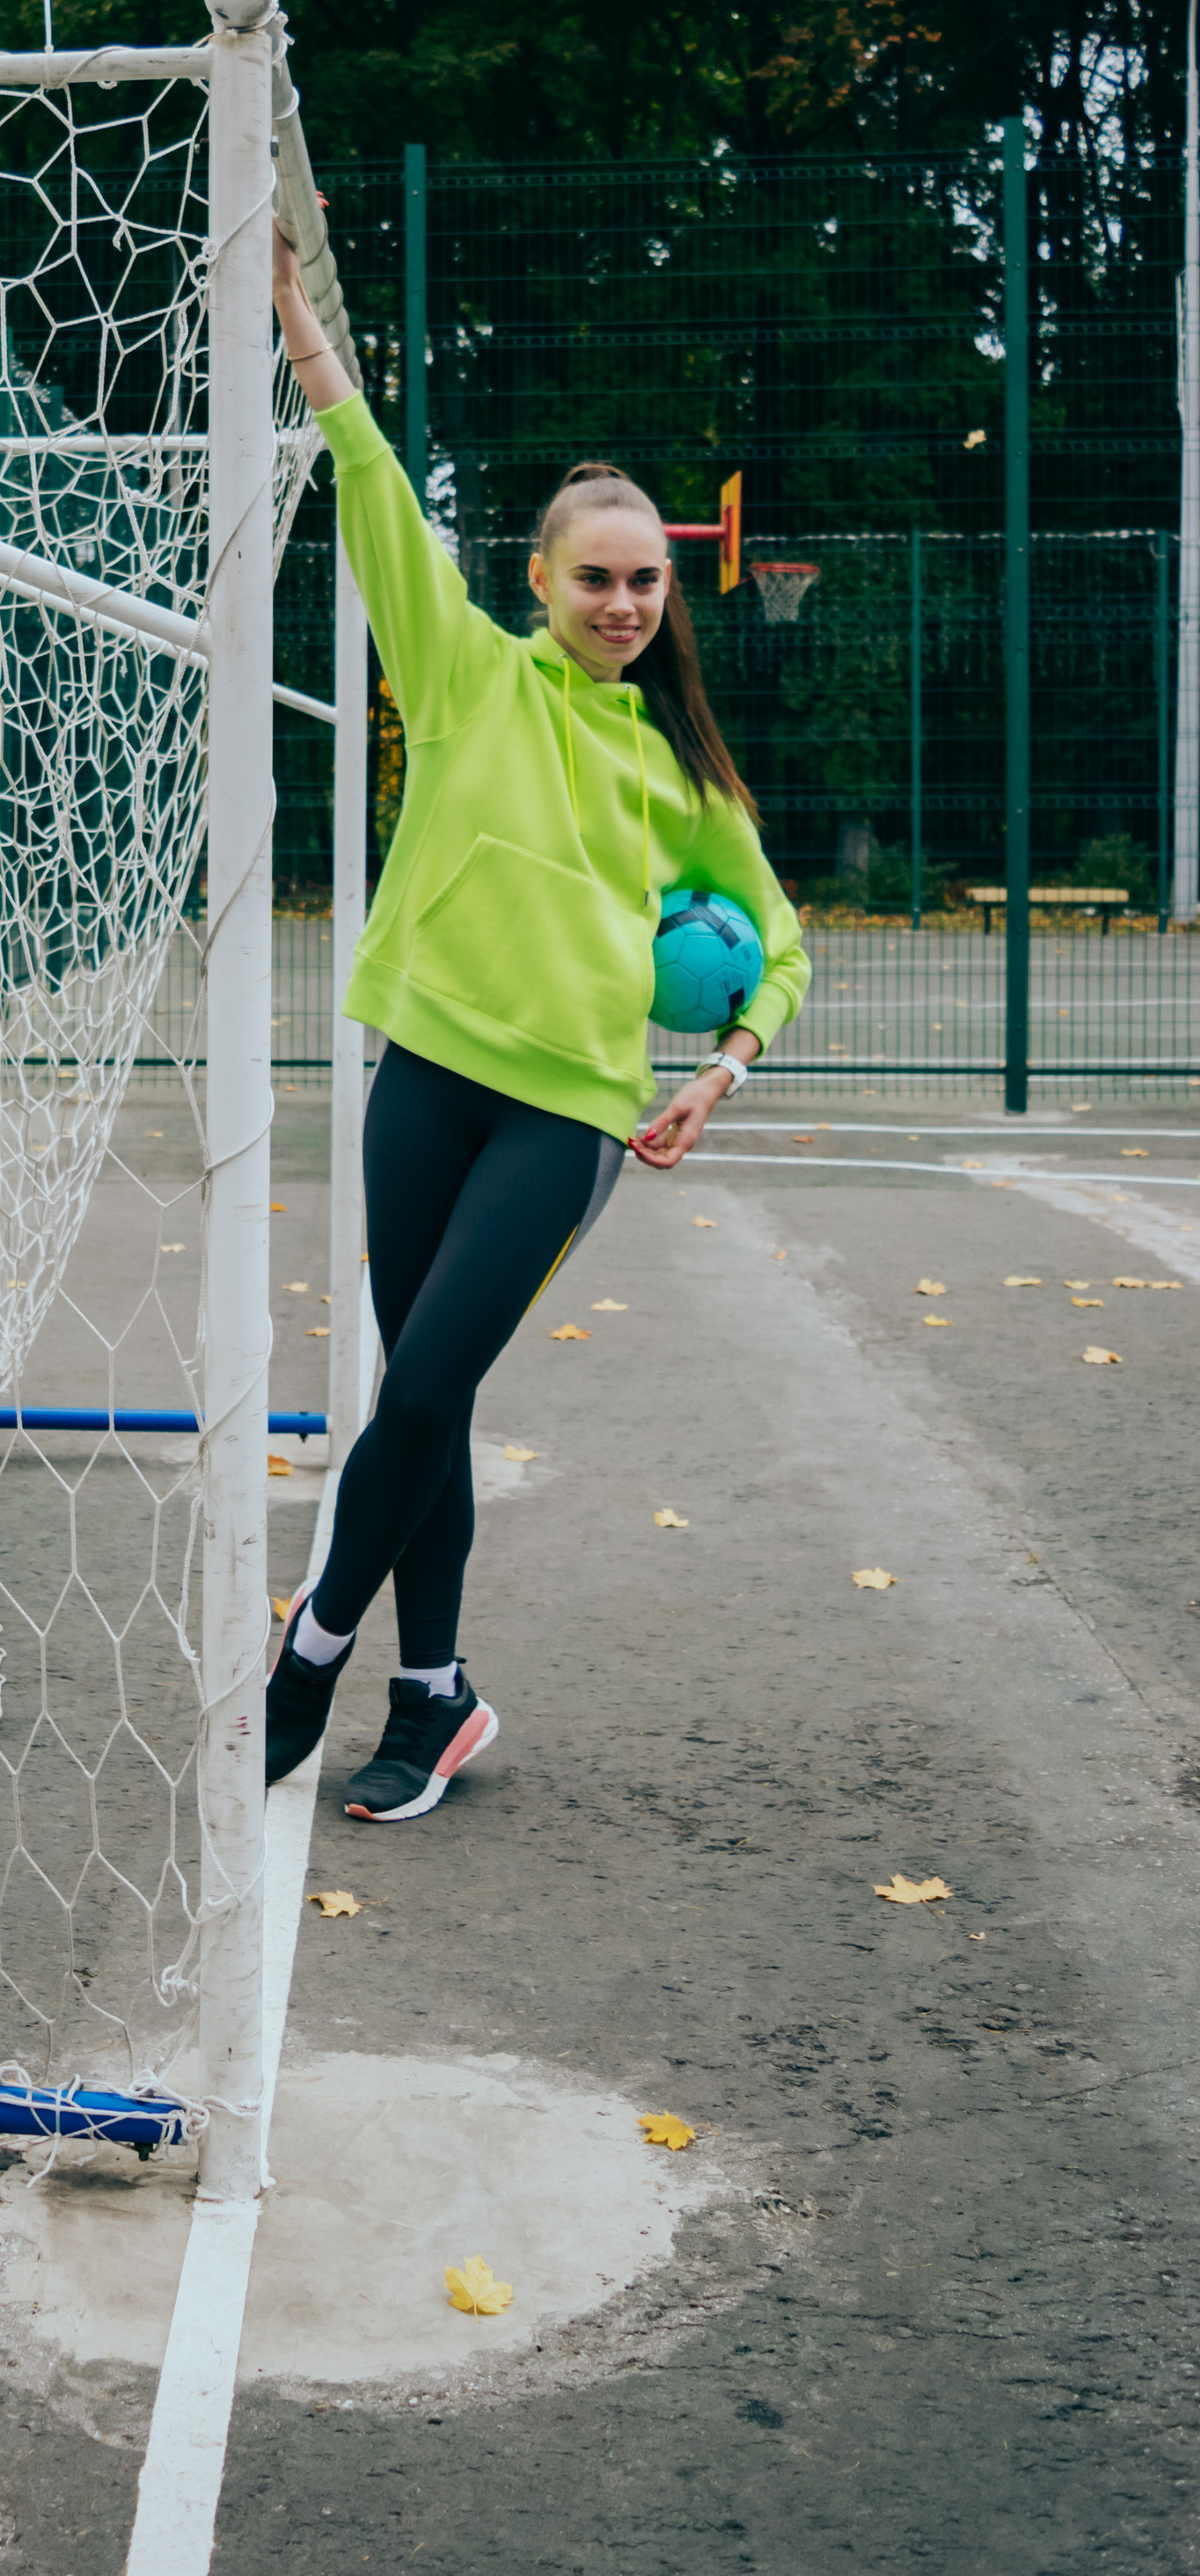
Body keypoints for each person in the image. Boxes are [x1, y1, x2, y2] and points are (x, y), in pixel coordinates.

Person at [266, 221, 810, 1821]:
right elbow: (374, 486)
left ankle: (312, 1649)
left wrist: (719, 1070)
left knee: (426, 1385)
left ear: (668, 588)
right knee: (422, 1398)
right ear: (541, 581)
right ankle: (433, 1697)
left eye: (646, 580)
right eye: (597, 578)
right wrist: (299, 325)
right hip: (425, 1074)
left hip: (567, 1112)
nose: (624, 602)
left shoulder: (680, 772)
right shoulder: (465, 679)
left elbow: (781, 944)